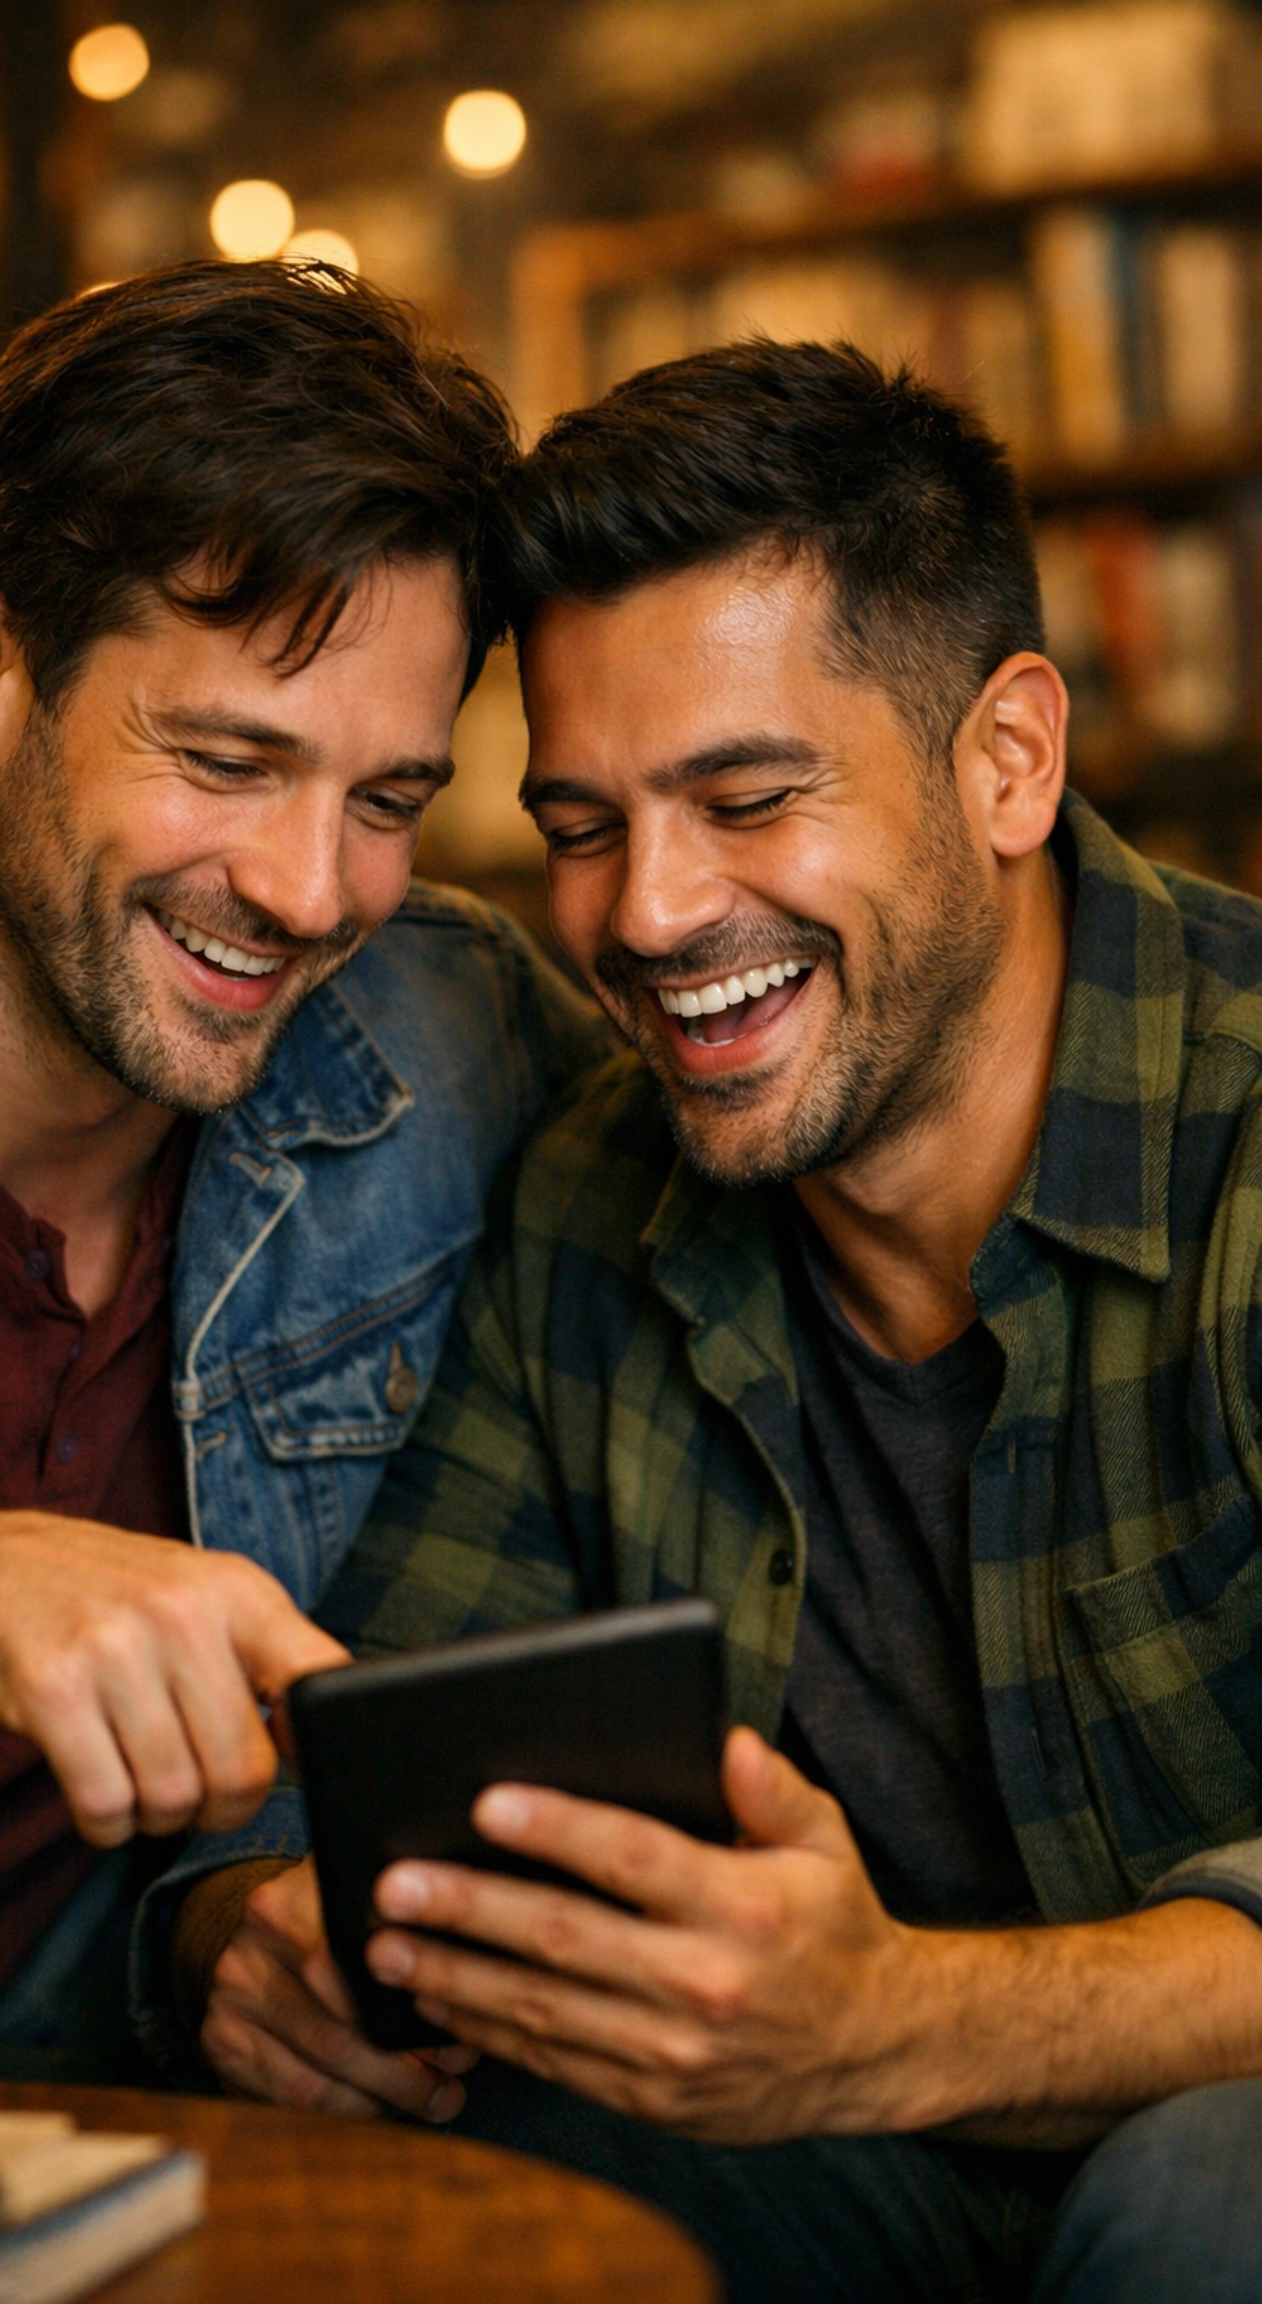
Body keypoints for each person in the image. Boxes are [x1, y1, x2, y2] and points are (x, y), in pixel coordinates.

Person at [181, 342, 1262, 2300]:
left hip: (1182, 2136)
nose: (650, 914)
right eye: (581, 825)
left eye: (747, 797)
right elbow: (349, 1746)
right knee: (471, 2149)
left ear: (1010, 761)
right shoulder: (591, 1195)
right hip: (825, 2175)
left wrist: (903, 2020)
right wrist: (271, 1938)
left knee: (1211, 2190)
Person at [0, 260, 599, 2085]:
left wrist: (240, 1928)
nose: (308, 892)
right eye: (225, 759)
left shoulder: (465, 1039)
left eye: (387, 800)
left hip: (147, 2131)